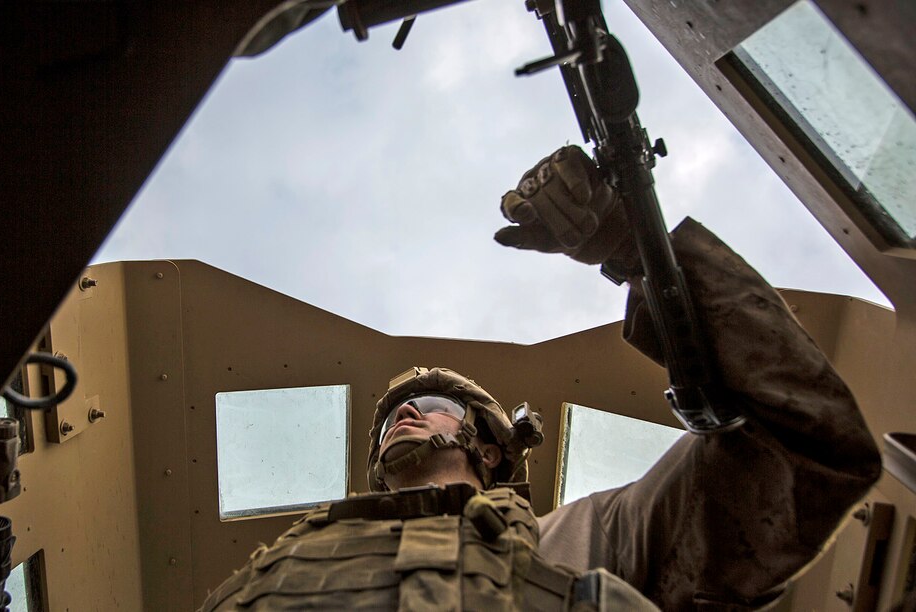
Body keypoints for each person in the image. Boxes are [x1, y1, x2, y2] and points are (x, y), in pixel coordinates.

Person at [199, 146, 881, 611]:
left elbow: (804, 450)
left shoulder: (589, 539)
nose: (399, 418)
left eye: (427, 406)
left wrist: (630, 244)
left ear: (489, 448)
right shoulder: (281, 564)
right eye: (388, 420)